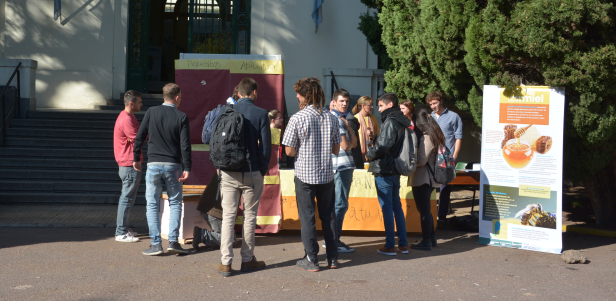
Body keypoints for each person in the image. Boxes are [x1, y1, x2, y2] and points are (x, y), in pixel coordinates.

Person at [282, 77, 341, 271]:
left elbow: (289, 151)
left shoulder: (297, 118)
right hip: (326, 175)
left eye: (299, 93)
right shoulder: (331, 117)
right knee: (328, 216)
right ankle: (332, 257)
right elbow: (335, 150)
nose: (297, 96)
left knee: (307, 217)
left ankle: (312, 258)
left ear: (306, 96)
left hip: (305, 175)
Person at [217, 77, 271, 277]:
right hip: (251, 170)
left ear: (238, 93)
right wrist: (261, 170)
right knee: (250, 216)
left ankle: (225, 263)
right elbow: (265, 148)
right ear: (254, 93)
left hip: (229, 171)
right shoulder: (261, 114)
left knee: (228, 217)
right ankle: (247, 260)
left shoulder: (226, 111)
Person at [133, 83, 191, 256]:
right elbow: (185, 145)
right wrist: (187, 167)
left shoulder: (151, 112)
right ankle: (173, 241)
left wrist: (136, 157)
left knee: (152, 204)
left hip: (153, 164)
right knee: (175, 202)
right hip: (173, 164)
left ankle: (156, 244)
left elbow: (140, 137)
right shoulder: (182, 116)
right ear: (176, 97)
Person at [366, 93, 410, 256]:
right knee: (396, 206)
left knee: (387, 207)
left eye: (381, 106)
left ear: (390, 104)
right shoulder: (400, 121)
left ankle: (390, 245)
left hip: (384, 169)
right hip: (395, 169)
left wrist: (370, 154)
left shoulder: (390, 121)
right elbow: (390, 143)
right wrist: (376, 138)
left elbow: (384, 146)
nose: (378, 109)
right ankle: (403, 244)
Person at [326, 89, 357, 253]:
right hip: (341, 166)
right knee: (340, 204)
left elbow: (355, 143)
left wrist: (350, 132)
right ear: (334, 102)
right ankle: (334, 241)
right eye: (341, 101)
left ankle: (331, 239)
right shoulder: (338, 120)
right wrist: (350, 133)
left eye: (346, 101)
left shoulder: (336, 118)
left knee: (335, 204)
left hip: (334, 167)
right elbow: (347, 145)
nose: (344, 104)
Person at [408, 109, 444, 250]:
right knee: (425, 210)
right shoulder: (434, 135)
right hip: (428, 179)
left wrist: (408, 163)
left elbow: (422, 160)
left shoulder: (426, 137)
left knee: (424, 210)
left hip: (423, 178)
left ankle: (426, 241)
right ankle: (431, 238)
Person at [426, 92, 463, 226]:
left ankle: (441, 218)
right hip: (431, 157)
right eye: (430, 104)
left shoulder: (454, 116)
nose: (433, 106)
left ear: (441, 101)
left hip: (447, 158)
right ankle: (428, 217)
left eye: (435, 103)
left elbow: (459, 137)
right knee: (429, 187)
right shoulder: (429, 118)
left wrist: (455, 155)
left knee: (444, 188)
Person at [113, 90, 143, 243]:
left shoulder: (128, 117)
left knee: (128, 198)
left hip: (128, 163)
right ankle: (121, 232)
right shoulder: (127, 119)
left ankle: (123, 229)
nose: (141, 104)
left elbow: (137, 138)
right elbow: (139, 139)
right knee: (126, 199)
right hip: (129, 163)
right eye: (139, 102)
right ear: (131, 103)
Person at [352, 96, 379, 163]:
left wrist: (373, 135)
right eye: (370, 105)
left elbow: (378, 134)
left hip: (372, 152)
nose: (372, 107)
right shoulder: (355, 118)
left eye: (372, 105)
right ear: (363, 106)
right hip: (360, 154)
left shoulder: (373, 117)